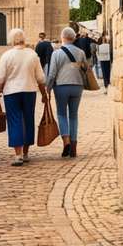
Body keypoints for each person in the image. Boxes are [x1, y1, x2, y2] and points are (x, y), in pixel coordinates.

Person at [0, 28, 48, 166]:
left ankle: (18, 155)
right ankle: (25, 153)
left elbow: (0, 78)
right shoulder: (32, 55)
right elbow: (41, 78)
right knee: (28, 119)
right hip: (29, 90)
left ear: (11, 40)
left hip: (11, 92)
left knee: (14, 120)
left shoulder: (6, 55)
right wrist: (44, 94)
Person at [46, 27, 87, 158]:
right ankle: (74, 147)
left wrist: (47, 88)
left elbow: (52, 74)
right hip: (77, 86)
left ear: (62, 37)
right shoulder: (80, 52)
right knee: (74, 115)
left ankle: (66, 142)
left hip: (61, 87)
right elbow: (85, 68)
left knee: (62, 114)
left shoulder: (56, 53)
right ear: (74, 38)